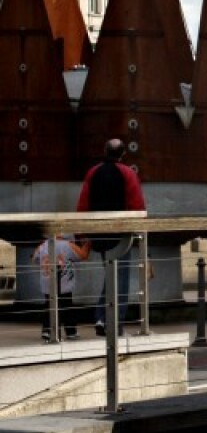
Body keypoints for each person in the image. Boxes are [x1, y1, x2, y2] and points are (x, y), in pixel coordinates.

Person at [76, 138, 146, 335]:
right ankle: (114, 323)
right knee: (121, 278)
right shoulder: (128, 173)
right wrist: (140, 231)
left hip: (99, 233)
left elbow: (83, 203)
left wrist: (81, 233)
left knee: (110, 275)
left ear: (104, 151)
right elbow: (136, 204)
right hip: (121, 234)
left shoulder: (93, 172)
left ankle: (101, 317)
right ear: (123, 154)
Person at [33, 234, 90, 342]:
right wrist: (87, 243)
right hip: (64, 283)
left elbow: (35, 259)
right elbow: (83, 255)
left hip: (47, 283)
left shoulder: (43, 245)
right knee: (67, 306)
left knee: (49, 305)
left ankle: (47, 330)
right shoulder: (67, 245)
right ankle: (70, 331)